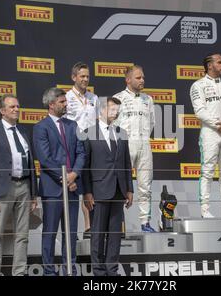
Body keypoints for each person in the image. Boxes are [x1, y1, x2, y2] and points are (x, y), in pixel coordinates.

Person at [0, 94, 37, 276]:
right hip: (2, 188)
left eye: (18, 106)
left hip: (24, 187)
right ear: (2, 110)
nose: (16, 109)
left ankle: (18, 272)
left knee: (22, 235)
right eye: (12, 107)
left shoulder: (23, 131)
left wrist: (34, 194)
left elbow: (31, 163)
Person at [33, 87, 85, 276]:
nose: (66, 104)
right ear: (51, 104)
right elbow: (45, 158)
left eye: (66, 101)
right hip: (53, 188)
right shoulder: (41, 127)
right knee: (50, 232)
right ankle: (48, 271)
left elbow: (81, 153)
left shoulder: (73, 126)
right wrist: (65, 178)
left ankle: (69, 269)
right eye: (62, 102)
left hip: (72, 187)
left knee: (70, 233)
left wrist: (75, 174)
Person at [83, 97, 133, 276]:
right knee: (97, 234)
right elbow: (85, 167)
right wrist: (87, 192)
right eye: (112, 109)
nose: (116, 112)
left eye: (117, 109)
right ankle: (98, 272)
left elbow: (126, 163)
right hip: (98, 191)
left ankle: (112, 270)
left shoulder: (122, 133)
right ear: (102, 110)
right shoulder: (88, 133)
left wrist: (129, 189)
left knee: (115, 235)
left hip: (119, 190)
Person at [190, 53, 221, 218]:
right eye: (220, 62)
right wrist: (219, 125)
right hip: (210, 133)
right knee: (207, 171)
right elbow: (200, 111)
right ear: (209, 65)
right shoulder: (198, 85)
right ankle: (205, 210)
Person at [113, 65, 156, 233]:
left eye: (143, 77)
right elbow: (112, 126)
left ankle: (145, 223)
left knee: (145, 186)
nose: (142, 80)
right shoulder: (117, 98)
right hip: (125, 145)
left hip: (144, 144)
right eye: (138, 78)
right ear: (128, 79)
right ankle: (118, 225)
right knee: (120, 186)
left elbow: (152, 122)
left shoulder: (148, 99)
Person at [65, 62, 99, 239]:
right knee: (75, 186)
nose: (85, 79)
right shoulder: (67, 97)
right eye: (82, 76)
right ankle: (72, 231)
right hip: (73, 145)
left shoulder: (94, 98)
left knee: (88, 186)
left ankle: (89, 227)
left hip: (91, 144)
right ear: (74, 77)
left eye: (87, 76)